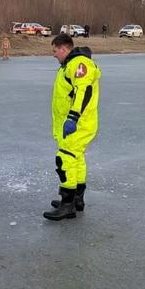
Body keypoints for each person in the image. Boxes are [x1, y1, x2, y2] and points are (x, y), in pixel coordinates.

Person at [43, 33, 101, 221]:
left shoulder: (78, 64)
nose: (53, 55)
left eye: (54, 51)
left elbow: (83, 90)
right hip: (76, 124)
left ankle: (67, 205)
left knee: (65, 159)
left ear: (64, 48)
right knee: (77, 159)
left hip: (78, 125)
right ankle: (77, 199)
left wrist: (73, 118)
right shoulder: (68, 65)